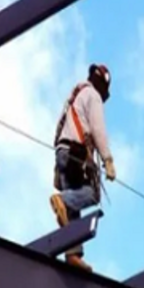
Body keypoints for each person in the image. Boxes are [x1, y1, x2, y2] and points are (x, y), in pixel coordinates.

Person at [49, 64, 117, 272]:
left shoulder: (75, 94)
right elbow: (97, 128)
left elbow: (62, 127)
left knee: (72, 208)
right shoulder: (93, 95)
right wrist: (108, 160)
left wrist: (58, 166)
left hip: (63, 152)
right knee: (92, 194)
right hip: (75, 152)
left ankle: (72, 254)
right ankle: (62, 199)